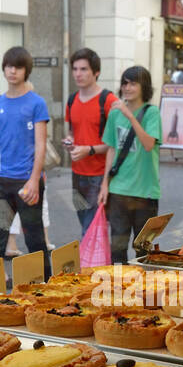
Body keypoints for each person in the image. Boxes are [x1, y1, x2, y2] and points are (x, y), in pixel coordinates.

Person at [97, 65, 162, 265]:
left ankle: (141, 293)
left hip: (145, 192)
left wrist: (131, 116)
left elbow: (149, 144)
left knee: (143, 251)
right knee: (117, 249)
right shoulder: (115, 114)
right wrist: (105, 184)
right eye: (124, 83)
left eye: (133, 83)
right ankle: (119, 292)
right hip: (119, 191)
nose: (127, 87)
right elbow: (111, 149)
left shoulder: (151, 113)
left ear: (144, 87)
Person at [0, 46, 50, 276]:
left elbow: (41, 145)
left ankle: (47, 285)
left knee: (35, 238)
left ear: (26, 70)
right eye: (8, 66)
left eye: (17, 67)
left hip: (26, 181)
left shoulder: (36, 103)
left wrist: (34, 180)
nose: (12, 71)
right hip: (1, 180)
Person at [64, 48, 118, 235]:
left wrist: (90, 150)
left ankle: (90, 263)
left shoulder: (108, 100)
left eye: (84, 69)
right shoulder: (71, 100)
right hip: (77, 174)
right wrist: (70, 142)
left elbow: (116, 143)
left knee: (91, 228)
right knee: (84, 223)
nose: (78, 74)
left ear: (96, 72)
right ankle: (96, 260)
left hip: (99, 174)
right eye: (75, 69)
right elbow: (73, 132)